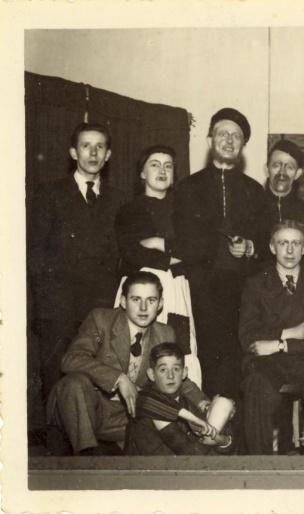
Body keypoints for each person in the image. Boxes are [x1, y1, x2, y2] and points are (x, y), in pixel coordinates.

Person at [28, 122, 127, 422]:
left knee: (94, 381)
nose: (93, 153)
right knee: (57, 381)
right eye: (86, 146)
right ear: (74, 153)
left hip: (99, 309)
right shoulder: (49, 194)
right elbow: (34, 253)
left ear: (108, 155)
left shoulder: (119, 199)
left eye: (100, 147)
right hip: (58, 308)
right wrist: (49, 299)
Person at [46, 272, 206, 455]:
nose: (143, 308)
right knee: (74, 382)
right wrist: (118, 378)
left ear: (160, 304)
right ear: (123, 301)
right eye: (136, 299)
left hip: (129, 417)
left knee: (168, 415)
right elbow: (71, 359)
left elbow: (175, 376)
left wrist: (204, 403)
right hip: (88, 411)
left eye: (151, 300)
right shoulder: (101, 320)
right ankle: (86, 457)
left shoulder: (165, 333)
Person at [172, 108, 270, 403]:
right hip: (201, 288)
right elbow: (180, 239)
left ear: (242, 146)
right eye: (223, 134)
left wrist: (250, 247)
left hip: (243, 290)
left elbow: (266, 240)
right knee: (205, 357)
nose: (229, 140)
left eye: (236, 136)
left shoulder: (255, 190)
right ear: (209, 141)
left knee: (240, 358)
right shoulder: (186, 188)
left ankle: (237, 425)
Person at [238, 220, 304, 455]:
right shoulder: (255, 284)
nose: (290, 250)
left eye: (296, 243)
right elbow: (248, 337)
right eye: (283, 243)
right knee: (257, 384)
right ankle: (260, 463)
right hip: (267, 362)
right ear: (272, 247)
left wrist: (277, 345)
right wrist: (293, 333)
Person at [115, 145, 201, 386]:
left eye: (168, 166)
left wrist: (157, 242)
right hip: (140, 286)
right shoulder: (129, 210)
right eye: (155, 164)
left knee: (178, 349)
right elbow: (134, 253)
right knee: (135, 349)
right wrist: (176, 253)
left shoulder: (185, 211)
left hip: (175, 288)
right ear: (142, 173)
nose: (162, 170)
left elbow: (197, 250)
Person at [125, 343, 236, 456]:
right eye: (163, 370)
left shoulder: (184, 400)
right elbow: (190, 454)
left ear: (184, 373)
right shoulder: (148, 403)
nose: (170, 376)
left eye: (176, 369)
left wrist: (223, 440)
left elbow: (222, 440)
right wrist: (214, 440)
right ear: (152, 374)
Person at [263, 139, 304, 228]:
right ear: (266, 170)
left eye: (289, 167)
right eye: (276, 165)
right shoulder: (251, 208)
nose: (282, 172)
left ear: (297, 174)